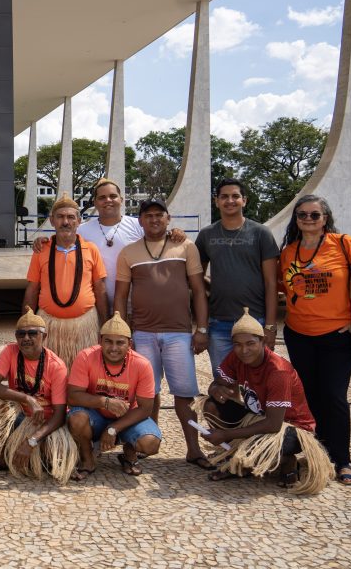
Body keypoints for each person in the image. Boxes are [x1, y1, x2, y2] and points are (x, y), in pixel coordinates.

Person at [279, 194, 351, 486]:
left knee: (334, 396)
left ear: (325, 218)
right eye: (302, 215)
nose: (308, 220)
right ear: (296, 220)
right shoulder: (288, 252)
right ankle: (316, 452)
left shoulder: (343, 244)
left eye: (314, 215)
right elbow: (279, 287)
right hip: (299, 335)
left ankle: (342, 459)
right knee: (308, 396)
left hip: (336, 336)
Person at [114, 197, 213, 472]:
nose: (154, 220)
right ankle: (146, 442)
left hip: (179, 333)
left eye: (159, 215)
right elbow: (121, 296)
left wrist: (201, 329)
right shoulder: (128, 252)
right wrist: (123, 331)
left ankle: (193, 449)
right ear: (140, 221)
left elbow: (198, 291)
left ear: (168, 218)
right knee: (146, 394)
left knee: (184, 395)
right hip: (142, 333)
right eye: (148, 216)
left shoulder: (185, 246)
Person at [197, 308, 334, 494]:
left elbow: (273, 425)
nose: (244, 350)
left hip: (291, 429)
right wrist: (216, 389)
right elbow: (216, 385)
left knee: (255, 446)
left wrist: (226, 434)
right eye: (237, 344)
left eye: (250, 343)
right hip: (258, 417)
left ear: (263, 342)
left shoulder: (278, 371)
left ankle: (284, 460)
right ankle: (244, 461)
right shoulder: (236, 357)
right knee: (211, 406)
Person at [35, 178, 185, 312]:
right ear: (95, 202)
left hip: (135, 306)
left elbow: (158, 237)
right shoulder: (83, 229)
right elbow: (62, 239)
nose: (108, 200)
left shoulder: (138, 225)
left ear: (121, 199)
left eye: (113, 196)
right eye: (102, 197)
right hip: (96, 305)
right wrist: (42, 239)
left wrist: (174, 232)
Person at [0, 308, 75, 484]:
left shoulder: (57, 366)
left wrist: (32, 441)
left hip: (45, 424)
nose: (26, 338)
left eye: (32, 333)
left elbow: (59, 416)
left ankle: (26, 455)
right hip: (19, 417)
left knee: (53, 459)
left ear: (45, 336)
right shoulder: (10, 352)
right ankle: (1, 457)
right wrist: (27, 399)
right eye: (21, 334)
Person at [195, 178, 279, 369]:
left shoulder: (261, 233)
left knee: (257, 381)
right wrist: (202, 325)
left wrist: (271, 326)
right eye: (224, 196)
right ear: (216, 201)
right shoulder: (207, 235)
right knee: (224, 384)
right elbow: (196, 280)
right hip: (219, 321)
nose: (230, 201)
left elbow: (271, 283)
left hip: (255, 320)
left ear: (244, 200)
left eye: (235, 196)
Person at [67, 312, 162, 480]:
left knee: (150, 443)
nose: (113, 348)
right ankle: (87, 459)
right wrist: (105, 402)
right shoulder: (86, 357)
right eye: (108, 341)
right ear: (99, 341)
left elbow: (146, 408)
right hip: (95, 415)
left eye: (120, 343)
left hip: (127, 417)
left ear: (129, 344)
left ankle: (128, 454)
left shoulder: (142, 364)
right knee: (76, 419)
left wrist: (113, 428)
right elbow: (72, 396)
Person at [23, 192, 107, 369]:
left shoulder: (91, 249)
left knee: (83, 375)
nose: (66, 222)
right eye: (60, 217)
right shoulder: (42, 250)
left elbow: (100, 289)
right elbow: (32, 289)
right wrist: (26, 322)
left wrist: (105, 325)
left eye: (70, 217)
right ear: (52, 221)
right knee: (49, 374)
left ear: (78, 221)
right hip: (49, 326)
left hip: (84, 327)